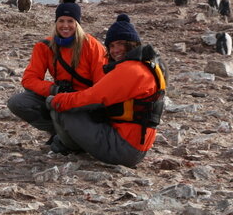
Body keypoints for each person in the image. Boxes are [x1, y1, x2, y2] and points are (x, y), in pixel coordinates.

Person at [47, 13, 166, 168]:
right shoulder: (150, 65)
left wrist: (55, 100)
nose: (115, 50)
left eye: (120, 44)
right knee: (84, 109)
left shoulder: (130, 70)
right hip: (138, 145)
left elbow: (91, 97)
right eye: (111, 46)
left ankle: (71, 148)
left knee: (63, 110)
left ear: (132, 44)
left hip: (123, 149)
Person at [7, 0, 107, 142]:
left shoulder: (92, 46)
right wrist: (55, 90)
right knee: (18, 102)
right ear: (55, 23)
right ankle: (57, 129)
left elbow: (102, 85)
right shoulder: (45, 46)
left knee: (70, 135)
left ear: (77, 24)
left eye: (70, 21)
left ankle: (76, 134)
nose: (65, 25)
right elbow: (29, 79)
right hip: (60, 97)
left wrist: (82, 98)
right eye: (61, 21)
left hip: (85, 101)